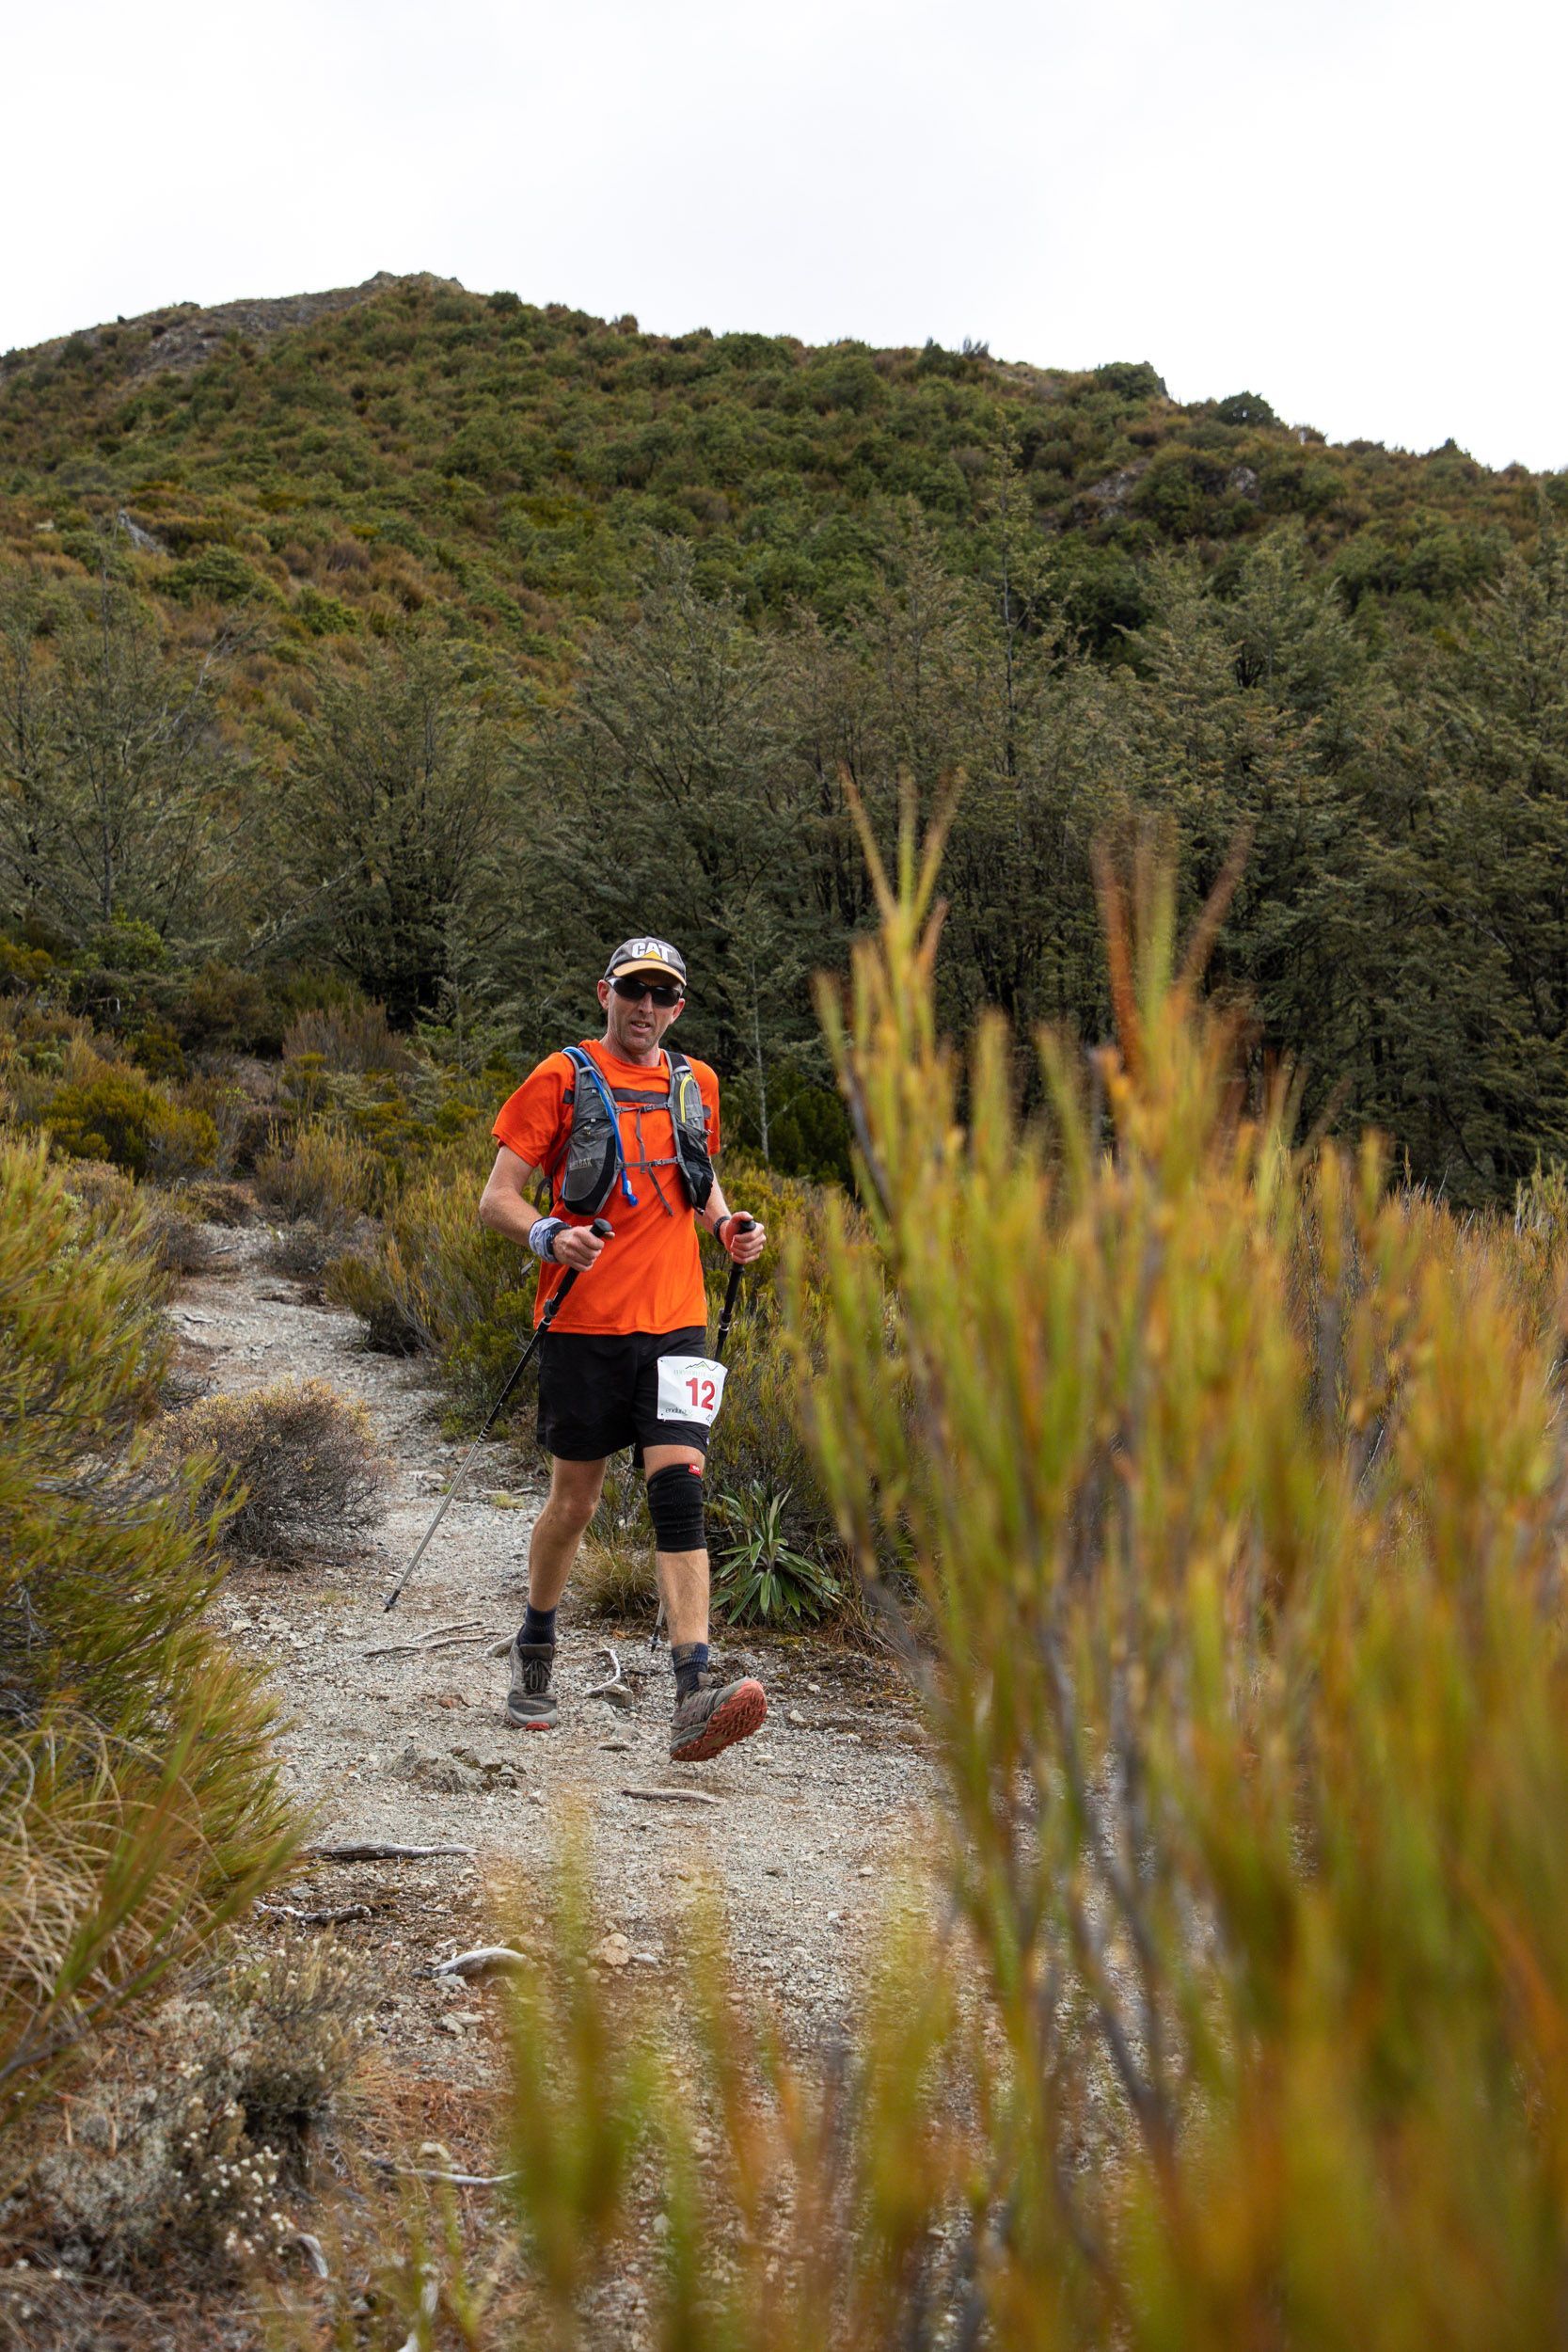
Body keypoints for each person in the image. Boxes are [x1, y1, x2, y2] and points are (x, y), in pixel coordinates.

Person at [479, 935, 769, 1762]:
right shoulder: (560, 1077)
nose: (646, 1008)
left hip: (676, 1323)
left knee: (678, 1489)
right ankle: (535, 1648)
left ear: (677, 1007)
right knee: (574, 1503)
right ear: (604, 992)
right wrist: (547, 1236)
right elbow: (495, 1198)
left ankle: (693, 1693)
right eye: (633, 991)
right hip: (582, 1325)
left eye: (662, 996)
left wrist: (726, 1226)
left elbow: (696, 1171)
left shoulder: (695, 1083)